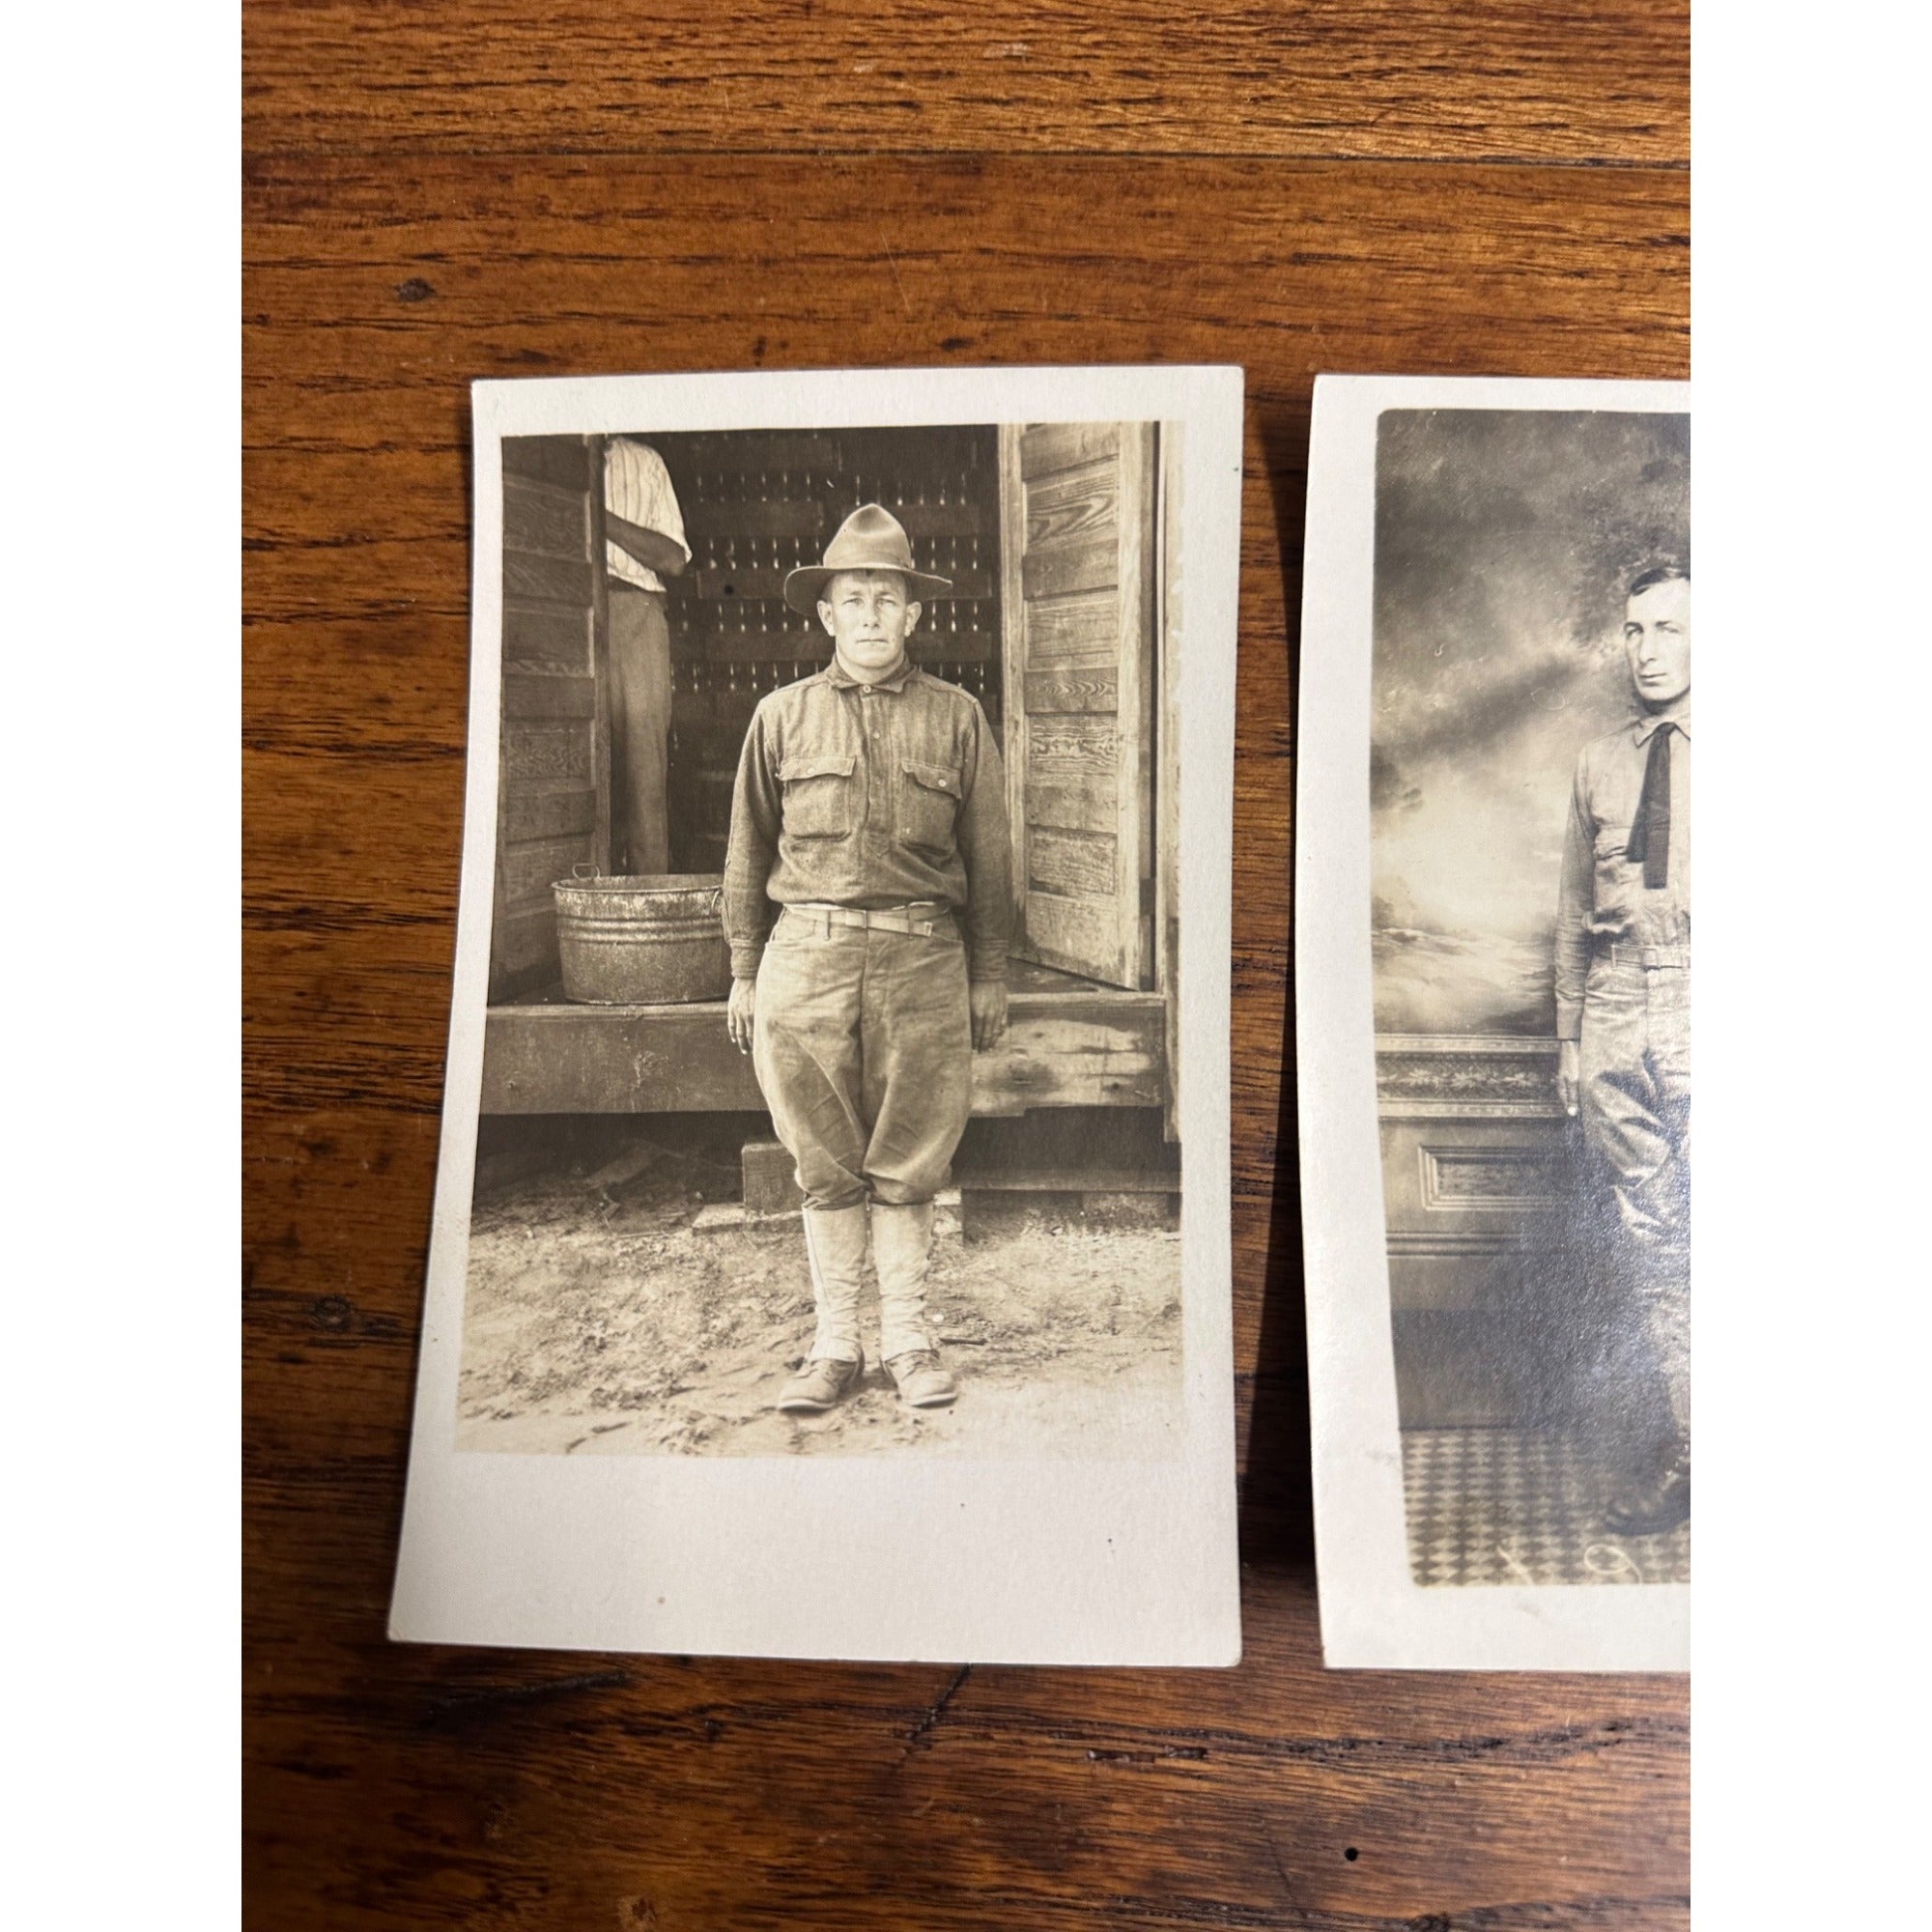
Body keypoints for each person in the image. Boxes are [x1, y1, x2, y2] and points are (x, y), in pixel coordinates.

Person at [722, 504, 1012, 1413]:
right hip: (803, 959)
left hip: (923, 961)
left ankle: (910, 1342)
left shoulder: (959, 719)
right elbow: (744, 852)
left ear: (914, 615)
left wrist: (990, 972)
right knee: (824, 1161)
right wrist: (741, 969)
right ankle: (835, 1346)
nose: (874, 617)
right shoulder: (780, 719)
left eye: (890, 600)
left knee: (911, 1158)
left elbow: (994, 858)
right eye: (857, 600)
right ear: (827, 615)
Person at [1553, 564, 1691, 1534]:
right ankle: (1693, 1453)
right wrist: (1567, 1035)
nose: (1646, 649)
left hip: (1709, 998)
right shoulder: (1596, 761)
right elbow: (1568, 909)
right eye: (1633, 629)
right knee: (1653, 1242)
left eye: (1669, 628)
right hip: (1609, 1007)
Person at [603, 437, 690, 874]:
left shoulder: (643, 461)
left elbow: (673, 558)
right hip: (561, 612)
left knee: (643, 774)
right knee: (575, 765)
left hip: (632, 611)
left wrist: (596, 516)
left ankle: (649, 910)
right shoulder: (542, 453)